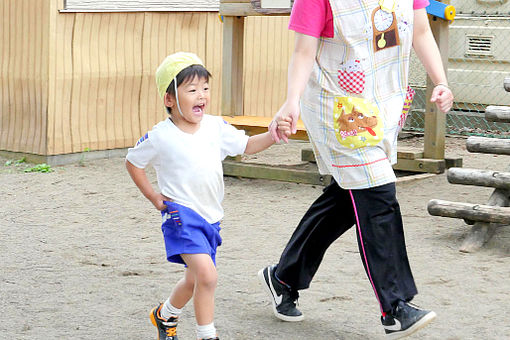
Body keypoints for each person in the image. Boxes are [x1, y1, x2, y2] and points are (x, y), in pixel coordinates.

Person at [258, 0, 454, 339]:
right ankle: (395, 307)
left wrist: (441, 81)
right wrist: (291, 101)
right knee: (378, 193)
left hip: (382, 103)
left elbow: (420, 30)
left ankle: (284, 276)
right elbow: (304, 51)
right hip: (336, 106)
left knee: (348, 198)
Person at [126, 52, 277, 340]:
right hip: (181, 215)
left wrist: (273, 134)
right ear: (170, 99)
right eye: (192, 90)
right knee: (207, 276)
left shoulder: (215, 126)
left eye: (205, 88)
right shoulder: (160, 136)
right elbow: (133, 162)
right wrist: (154, 198)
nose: (201, 96)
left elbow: (246, 145)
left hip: (211, 218)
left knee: (194, 280)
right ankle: (207, 334)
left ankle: (165, 315)